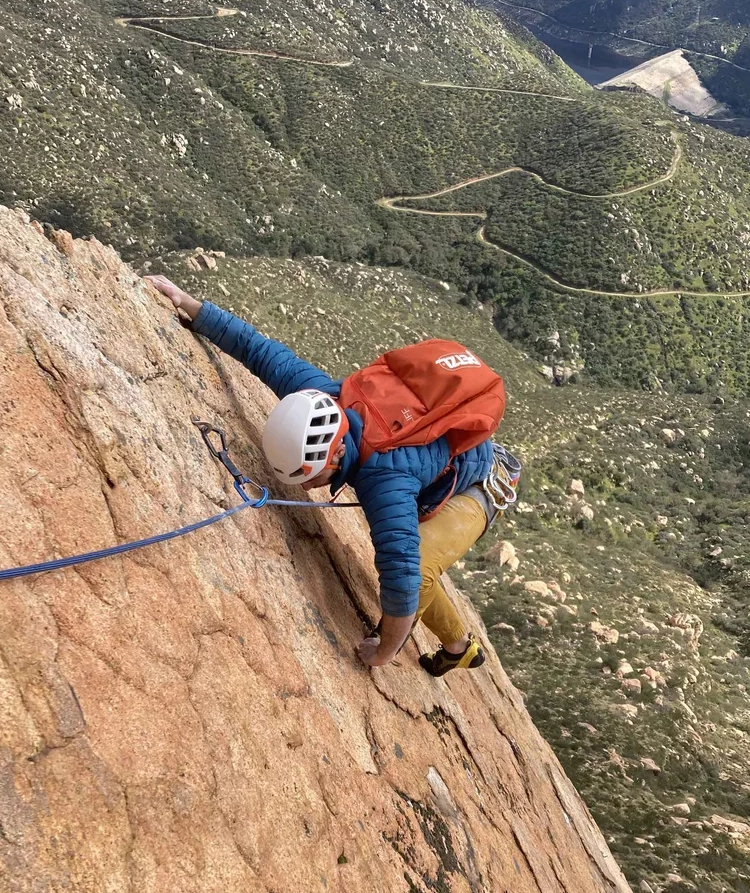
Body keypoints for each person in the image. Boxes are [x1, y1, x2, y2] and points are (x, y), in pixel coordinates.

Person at [145, 276, 515, 676]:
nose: (307, 487)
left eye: (312, 475)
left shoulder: (384, 479)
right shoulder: (325, 397)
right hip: (442, 468)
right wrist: (191, 305)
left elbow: (404, 574)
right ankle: (460, 647)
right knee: (414, 558)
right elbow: (262, 353)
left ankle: (456, 647)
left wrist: (384, 650)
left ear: (338, 452)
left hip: (482, 484)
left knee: (419, 562)